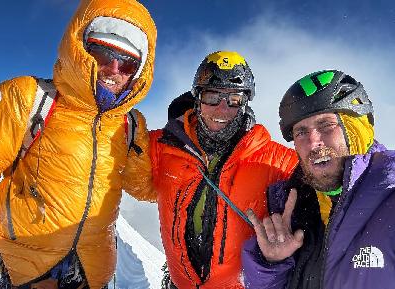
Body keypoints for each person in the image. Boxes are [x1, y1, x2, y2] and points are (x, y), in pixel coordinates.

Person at [0, 0, 156, 288]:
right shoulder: (27, 97)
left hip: (89, 272)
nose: (113, 69)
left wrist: (187, 138)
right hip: (18, 267)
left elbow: (146, 187)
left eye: (128, 63)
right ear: (80, 47)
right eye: (103, 53)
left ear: (138, 73)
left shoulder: (131, 125)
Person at [148, 51, 298, 288]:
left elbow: (329, 181)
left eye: (234, 99)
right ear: (197, 98)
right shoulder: (162, 147)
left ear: (245, 102)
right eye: (212, 96)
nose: (222, 109)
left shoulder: (275, 161)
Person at [242, 70, 395, 288]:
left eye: (326, 125)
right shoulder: (293, 211)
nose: (313, 143)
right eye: (301, 132)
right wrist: (273, 264)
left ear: (356, 129)